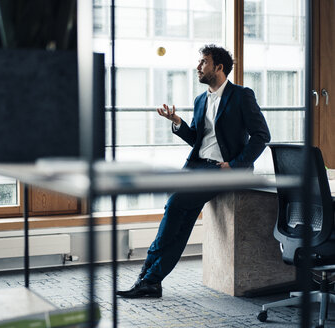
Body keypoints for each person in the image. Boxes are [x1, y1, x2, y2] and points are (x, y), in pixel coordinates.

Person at [116, 44, 271, 298]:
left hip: (223, 171)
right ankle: (151, 281)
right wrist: (178, 123)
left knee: (174, 206)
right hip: (197, 167)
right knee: (180, 219)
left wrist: (235, 165)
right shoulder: (201, 100)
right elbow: (198, 139)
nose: (198, 67)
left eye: (203, 62)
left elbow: (262, 135)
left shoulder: (242, 96)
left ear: (219, 67)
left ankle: (146, 276)